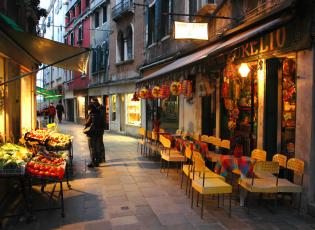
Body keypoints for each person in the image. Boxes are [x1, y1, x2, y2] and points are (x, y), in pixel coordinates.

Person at [91, 98, 106, 163]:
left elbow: (99, 118)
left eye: (92, 102)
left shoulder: (99, 109)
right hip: (100, 128)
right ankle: (101, 158)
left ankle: (99, 159)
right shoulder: (101, 108)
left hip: (97, 128)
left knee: (97, 144)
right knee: (100, 143)